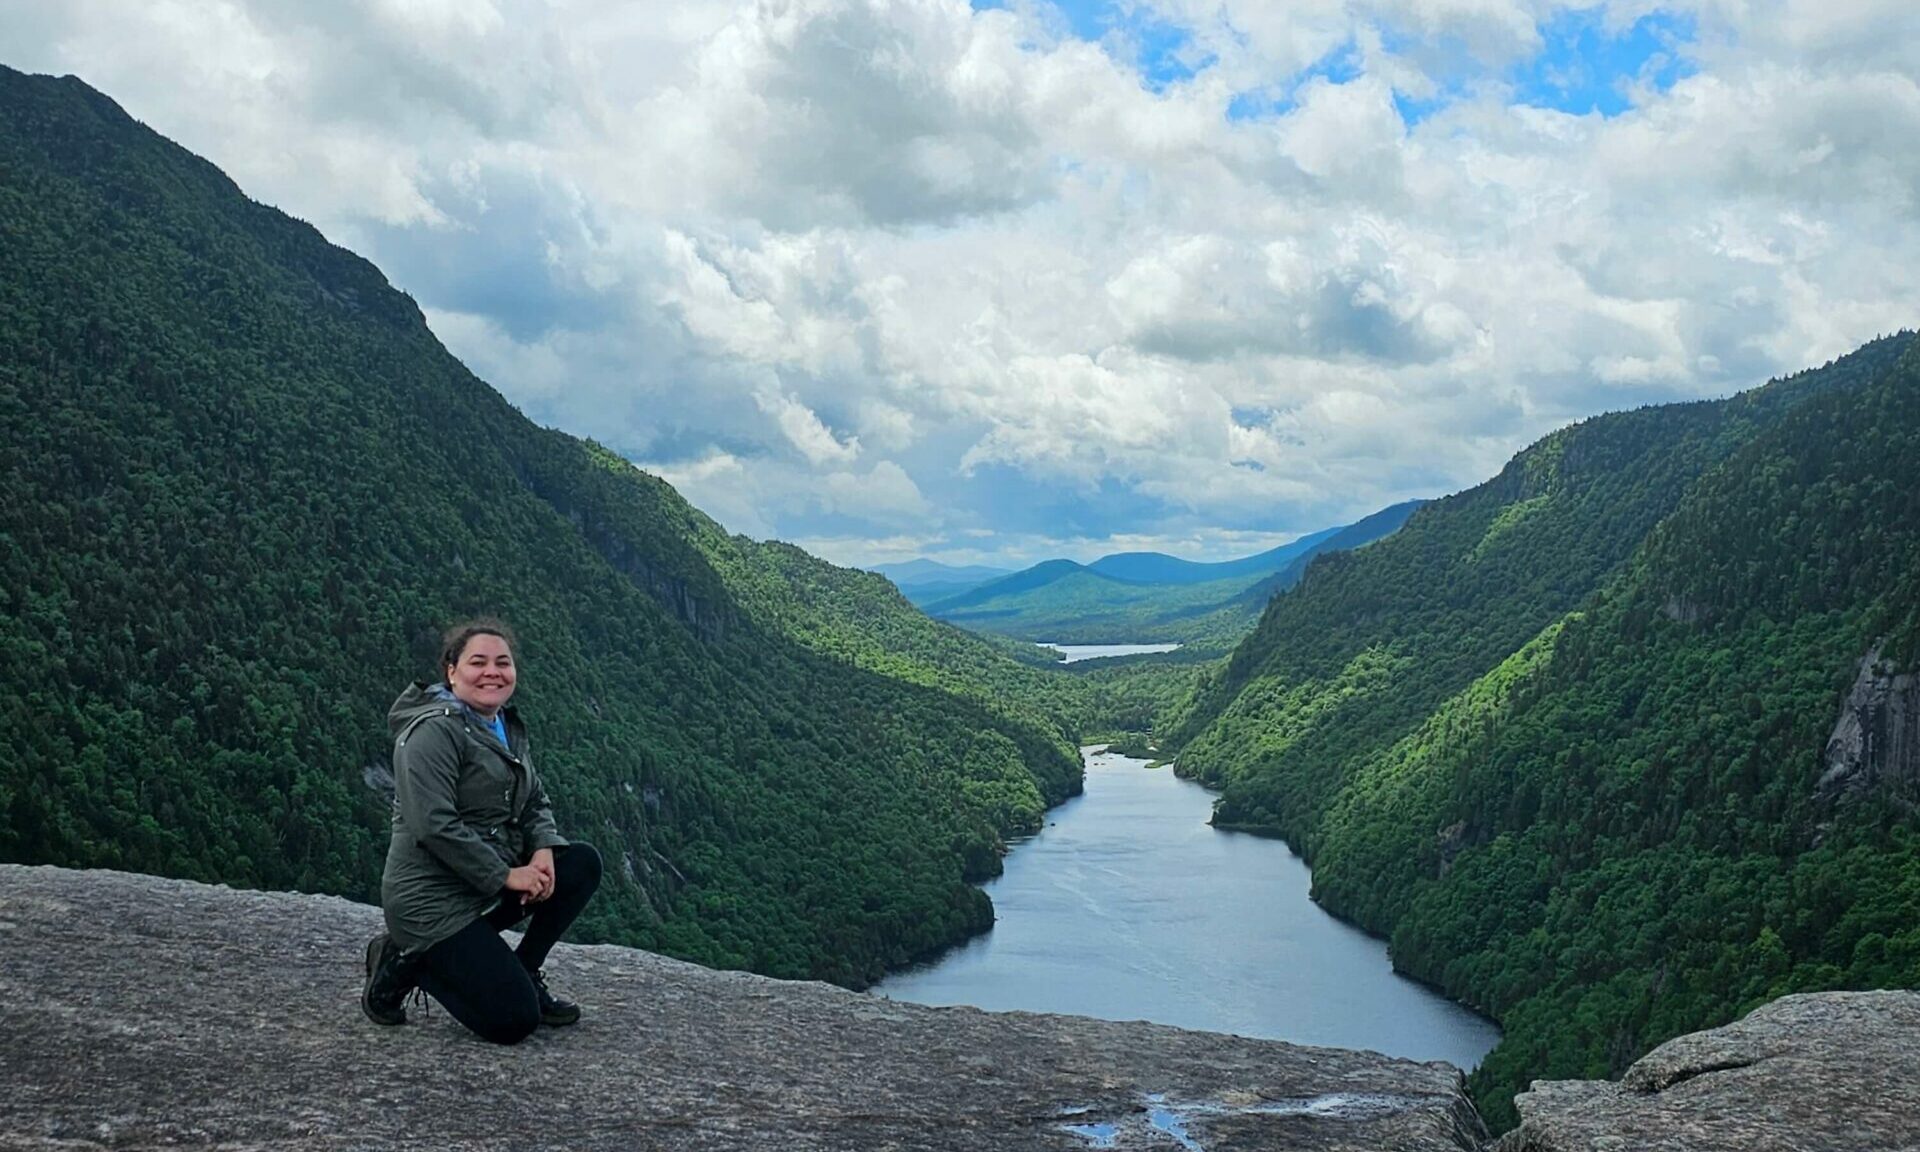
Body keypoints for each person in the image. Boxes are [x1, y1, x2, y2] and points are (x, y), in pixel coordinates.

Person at [361, 619, 602, 1043]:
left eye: (503, 662)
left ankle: (524, 968)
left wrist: (543, 849)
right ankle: (404, 960)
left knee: (579, 864)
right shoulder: (433, 732)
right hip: (430, 902)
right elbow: (432, 825)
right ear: (451, 671)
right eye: (478, 662)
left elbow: (532, 799)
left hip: (478, 883)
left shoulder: (502, 725)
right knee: (511, 1020)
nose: (493, 671)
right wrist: (507, 876)